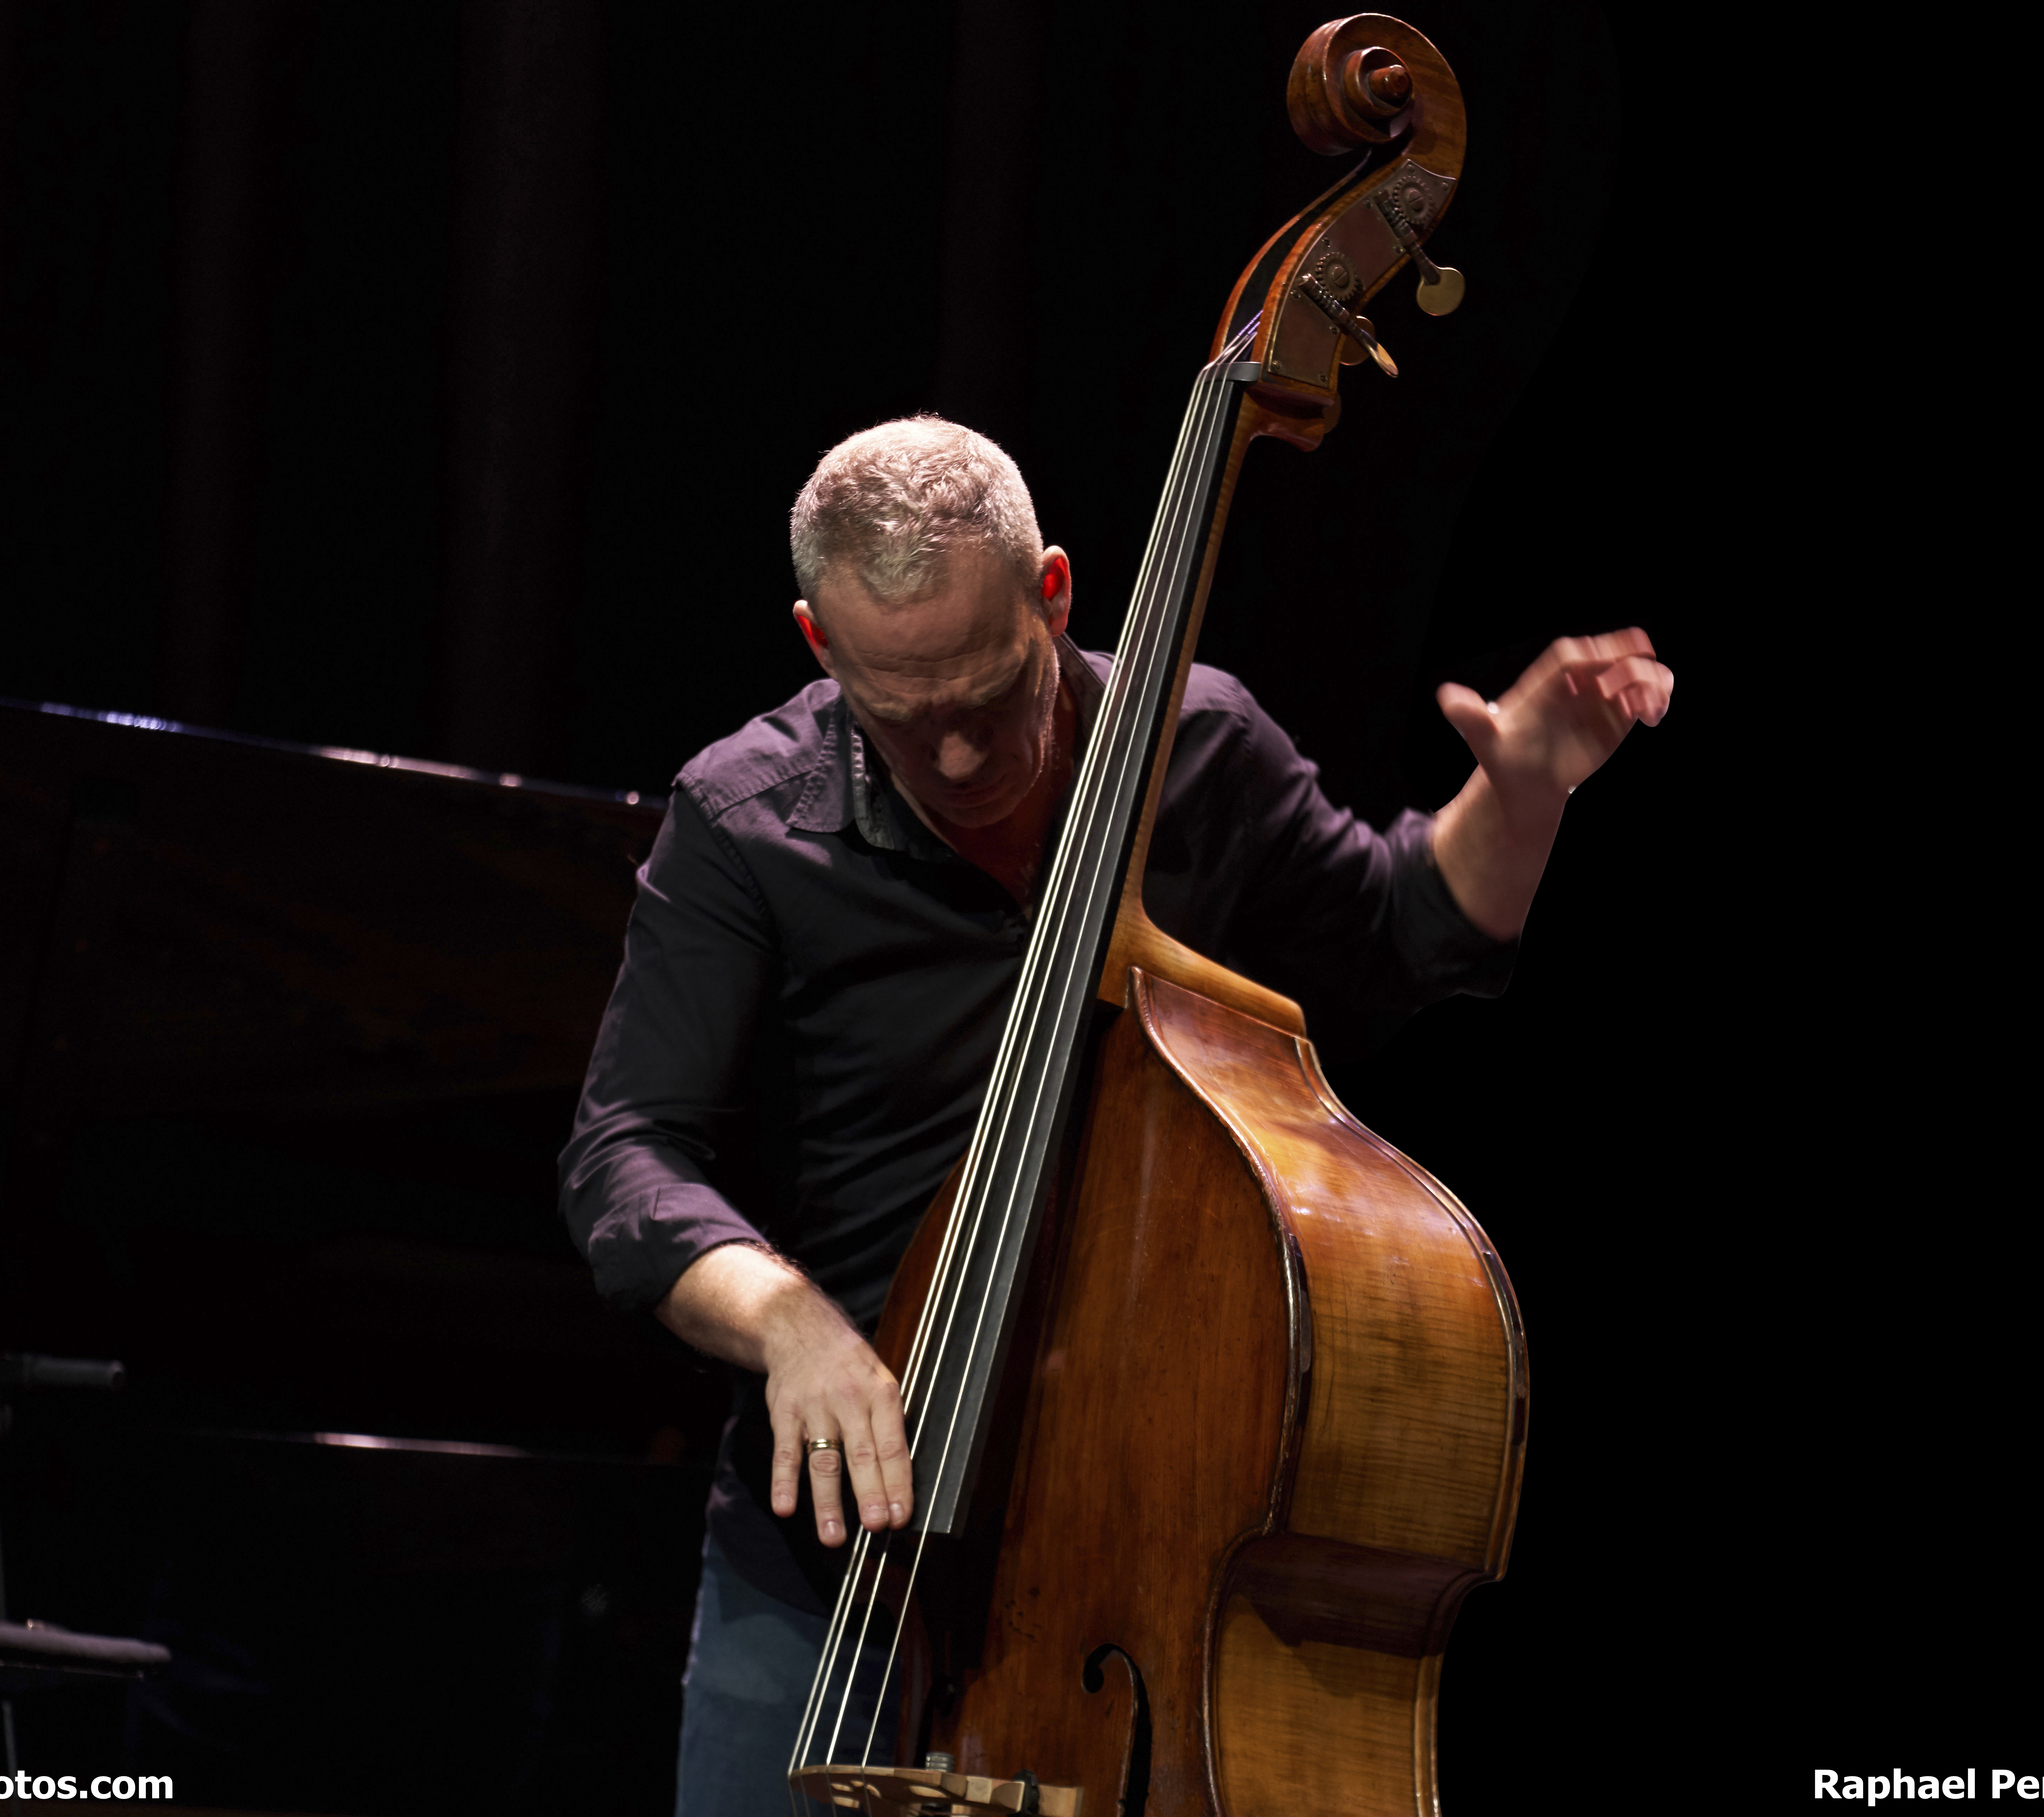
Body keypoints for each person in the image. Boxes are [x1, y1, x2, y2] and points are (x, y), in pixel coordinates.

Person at [558, 418, 1672, 1816]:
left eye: (989, 691)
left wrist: (1523, 791)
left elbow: (1405, 932)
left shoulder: (1195, 747)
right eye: (906, 715)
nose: (961, 758)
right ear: (817, 644)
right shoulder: (744, 819)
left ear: (1056, 596)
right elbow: (625, 1155)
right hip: (842, 1564)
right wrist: (787, 1327)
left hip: (1143, 1535)